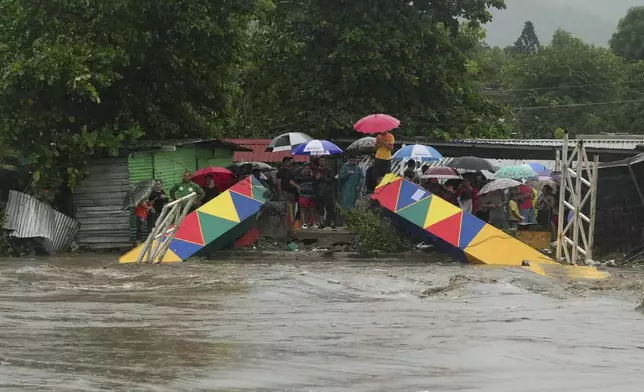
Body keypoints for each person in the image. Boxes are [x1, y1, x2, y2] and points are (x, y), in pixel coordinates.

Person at [276, 157, 300, 229]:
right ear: (284, 162)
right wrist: (280, 193)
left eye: (290, 161)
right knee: (285, 210)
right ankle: (285, 227)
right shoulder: (281, 171)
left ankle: (291, 226)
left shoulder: (292, 171)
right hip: (285, 192)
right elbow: (279, 183)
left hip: (293, 193)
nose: (289, 162)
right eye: (287, 161)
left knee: (292, 211)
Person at [315, 156, 336, 229]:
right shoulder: (316, 170)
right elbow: (315, 181)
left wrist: (321, 177)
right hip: (318, 192)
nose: (321, 162)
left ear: (326, 162)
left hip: (327, 192)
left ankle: (332, 223)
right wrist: (315, 178)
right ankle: (321, 223)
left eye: (323, 161)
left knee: (330, 209)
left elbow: (331, 180)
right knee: (320, 209)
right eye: (320, 161)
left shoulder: (329, 170)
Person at [296, 163, 317, 229]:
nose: (307, 170)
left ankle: (312, 223)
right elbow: (293, 181)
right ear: (303, 169)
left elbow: (316, 182)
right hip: (303, 195)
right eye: (306, 168)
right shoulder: (299, 176)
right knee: (303, 210)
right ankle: (303, 223)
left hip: (311, 195)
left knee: (311, 210)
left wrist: (312, 175)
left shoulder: (312, 177)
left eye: (308, 168)